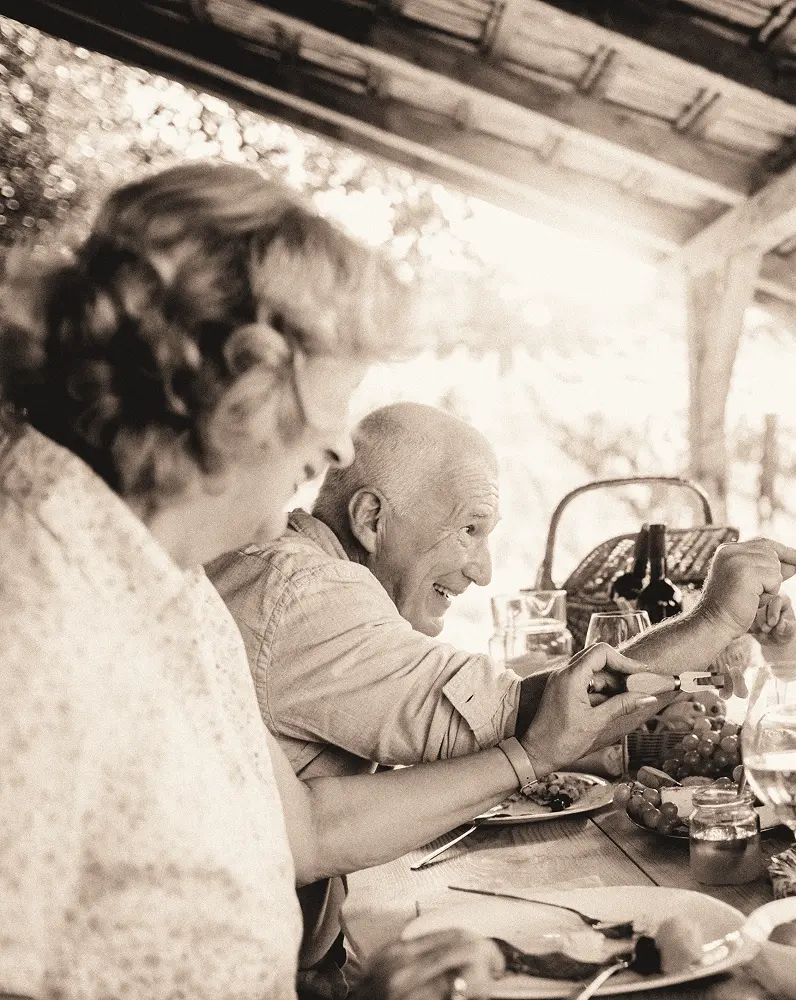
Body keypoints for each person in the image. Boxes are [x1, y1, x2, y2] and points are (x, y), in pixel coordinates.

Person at [0, 162, 640, 1000]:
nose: (338, 447)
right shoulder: (31, 616)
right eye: (332, 398)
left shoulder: (165, 582)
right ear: (239, 388)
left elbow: (296, 830)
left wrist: (529, 755)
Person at [206, 400, 796, 981]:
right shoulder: (309, 593)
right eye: (468, 529)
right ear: (370, 519)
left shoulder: (281, 570)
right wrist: (716, 620)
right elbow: (537, 713)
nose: (483, 569)